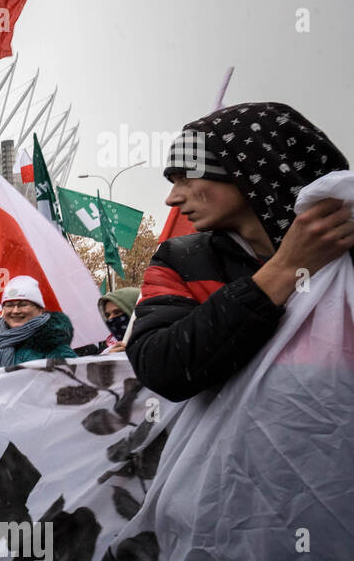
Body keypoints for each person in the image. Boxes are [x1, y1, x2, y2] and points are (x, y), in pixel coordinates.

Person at [128, 101, 353, 401]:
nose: (172, 198)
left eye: (185, 177)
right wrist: (284, 269)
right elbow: (160, 367)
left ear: (248, 168)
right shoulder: (180, 260)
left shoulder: (345, 247)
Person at [0, 276, 76, 370]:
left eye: (23, 305)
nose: (15, 311)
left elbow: (74, 379)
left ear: (40, 309)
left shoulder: (54, 347)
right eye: (9, 305)